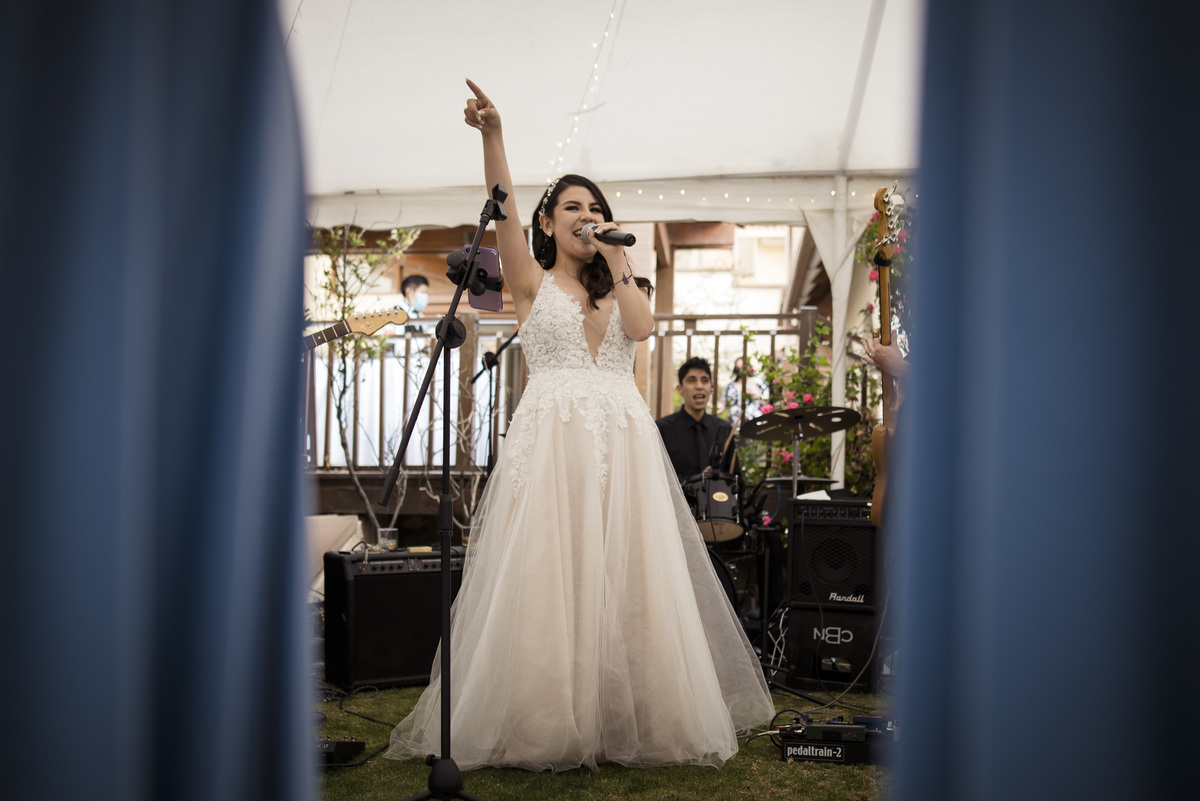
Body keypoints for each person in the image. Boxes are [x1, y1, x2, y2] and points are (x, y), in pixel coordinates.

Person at [386, 79, 773, 773]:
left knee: (629, 575)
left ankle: (633, 716)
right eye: (573, 207)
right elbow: (503, 202)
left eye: (596, 209)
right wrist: (493, 135)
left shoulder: (625, 284)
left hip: (623, 441)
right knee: (553, 575)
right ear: (547, 223)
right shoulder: (531, 281)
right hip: (554, 441)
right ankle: (549, 718)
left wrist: (620, 257)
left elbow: (642, 329)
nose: (587, 217)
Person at [655, 357, 732, 483]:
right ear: (679, 388)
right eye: (692, 380)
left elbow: (733, 477)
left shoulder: (724, 429)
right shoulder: (662, 428)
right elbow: (657, 474)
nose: (699, 386)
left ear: (712, 388)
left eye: (705, 380)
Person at [721, 356, 767, 428]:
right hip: (735, 427)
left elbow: (767, 401)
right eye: (738, 367)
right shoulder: (730, 386)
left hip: (756, 426)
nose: (740, 370)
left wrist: (754, 394)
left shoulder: (757, 382)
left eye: (743, 367)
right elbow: (722, 404)